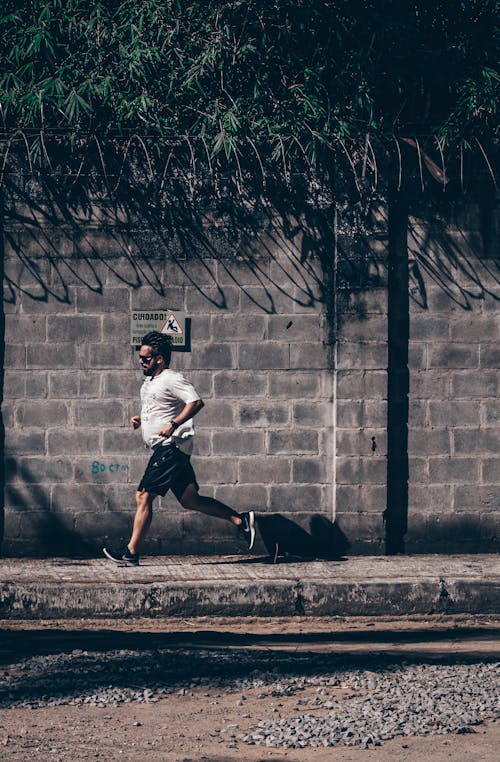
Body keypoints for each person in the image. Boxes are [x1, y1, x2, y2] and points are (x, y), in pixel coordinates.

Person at [103, 331, 255, 565]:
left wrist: (174, 425)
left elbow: (195, 402)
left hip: (171, 447)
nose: (140, 361)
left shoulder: (172, 378)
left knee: (143, 495)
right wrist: (141, 419)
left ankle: (130, 553)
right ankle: (240, 520)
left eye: (146, 358)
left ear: (159, 359)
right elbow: (160, 408)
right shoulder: (150, 382)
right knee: (190, 500)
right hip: (169, 448)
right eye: (140, 357)